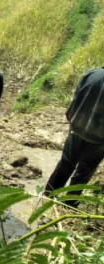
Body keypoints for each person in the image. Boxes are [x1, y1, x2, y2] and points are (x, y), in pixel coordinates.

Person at [44, 67, 104, 208]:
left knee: (66, 163)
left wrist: (72, 117)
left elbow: (75, 97)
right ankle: (69, 204)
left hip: (76, 129)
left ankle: (48, 195)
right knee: (83, 172)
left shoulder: (91, 73)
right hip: (98, 138)